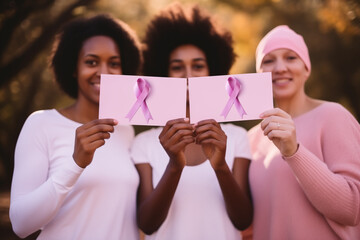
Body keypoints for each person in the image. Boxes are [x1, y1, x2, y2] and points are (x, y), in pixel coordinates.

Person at [9, 14, 142, 239]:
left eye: (114, 63)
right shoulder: (41, 124)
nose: (104, 72)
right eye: (91, 62)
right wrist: (75, 164)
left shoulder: (126, 131)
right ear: (73, 68)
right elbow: (21, 225)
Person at [130, 3, 253, 240]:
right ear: (163, 74)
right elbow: (146, 224)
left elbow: (243, 219)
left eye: (198, 66)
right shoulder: (143, 143)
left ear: (213, 70)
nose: (188, 74)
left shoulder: (236, 137)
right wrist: (175, 165)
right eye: (177, 67)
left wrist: (220, 166)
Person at [248, 25, 360, 240]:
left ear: (306, 68)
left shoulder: (333, 116)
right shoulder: (251, 138)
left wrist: (294, 152)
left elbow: (352, 209)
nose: (280, 68)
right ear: (258, 74)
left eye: (291, 57)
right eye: (268, 60)